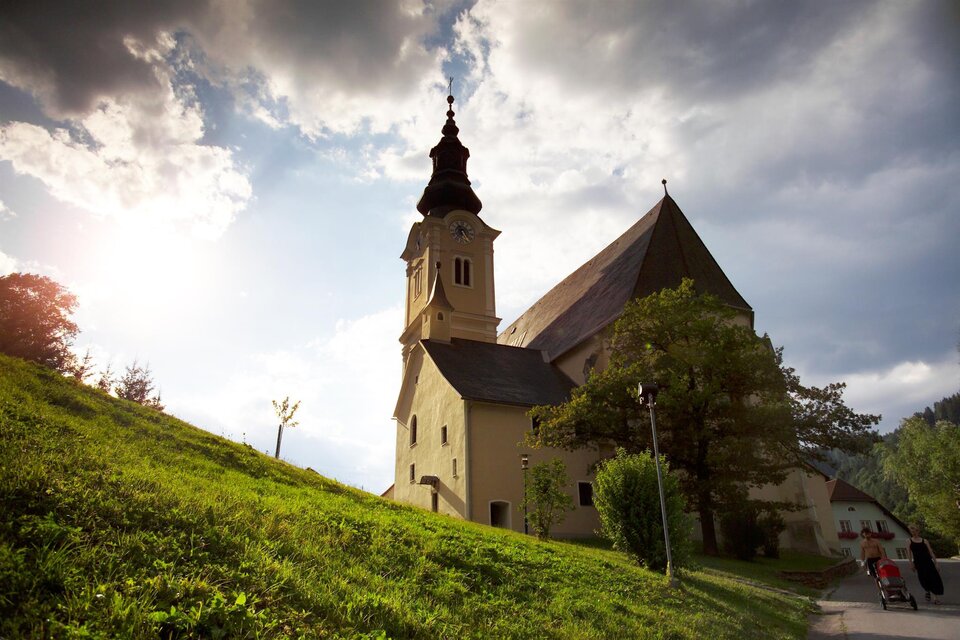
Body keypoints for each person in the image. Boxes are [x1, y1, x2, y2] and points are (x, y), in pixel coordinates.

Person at [908, 524, 944, 604]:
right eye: (912, 532)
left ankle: (936, 598)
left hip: (928, 561)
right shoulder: (909, 541)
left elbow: (930, 552)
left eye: (915, 531)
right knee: (923, 579)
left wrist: (936, 563)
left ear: (918, 531)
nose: (914, 533)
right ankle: (927, 590)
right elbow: (909, 554)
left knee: (933, 578)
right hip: (918, 563)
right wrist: (911, 564)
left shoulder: (924, 541)